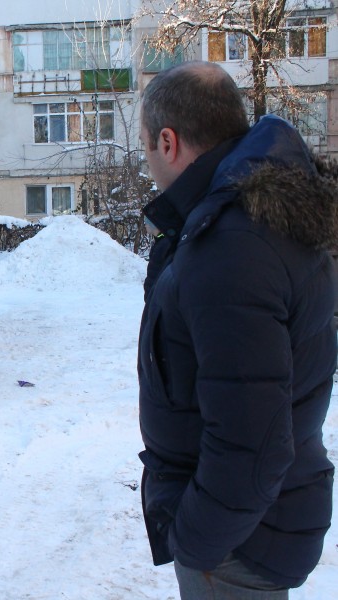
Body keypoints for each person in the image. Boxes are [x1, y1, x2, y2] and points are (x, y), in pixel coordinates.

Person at [137, 61, 336, 598]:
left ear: (169, 141)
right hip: (260, 522)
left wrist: (196, 540)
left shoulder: (232, 244)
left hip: (238, 546)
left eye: (147, 149)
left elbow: (252, 441)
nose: (150, 163)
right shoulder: (248, 215)